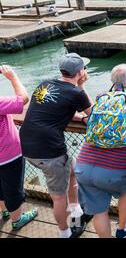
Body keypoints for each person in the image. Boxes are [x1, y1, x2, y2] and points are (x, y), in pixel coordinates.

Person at [19, 53, 93, 238]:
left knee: (72, 170)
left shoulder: (44, 84)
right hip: (49, 152)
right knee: (59, 197)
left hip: (27, 145)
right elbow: (96, 114)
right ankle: (65, 232)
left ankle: (76, 212)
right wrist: (82, 86)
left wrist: (78, 117)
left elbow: (54, 110)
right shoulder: (76, 92)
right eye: (84, 68)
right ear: (79, 72)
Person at [75, 64, 126, 238]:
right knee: (125, 191)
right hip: (114, 170)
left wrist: (81, 87)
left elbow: (91, 115)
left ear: (112, 81)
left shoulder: (102, 97)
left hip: (84, 165)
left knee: (99, 213)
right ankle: (122, 229)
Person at [0, 65, 38, 229]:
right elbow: (23, 98)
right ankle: (17, 220)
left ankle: (5, 212)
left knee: (0, 185)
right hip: (8, 154)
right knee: (13, 187)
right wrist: (12, 76)